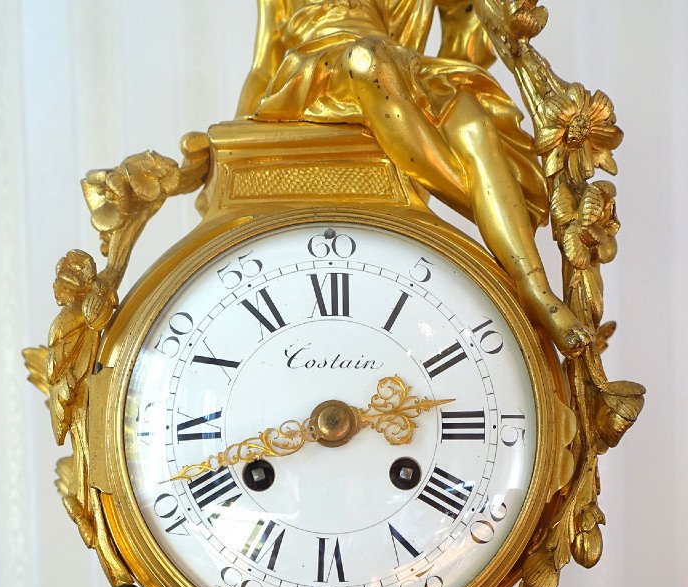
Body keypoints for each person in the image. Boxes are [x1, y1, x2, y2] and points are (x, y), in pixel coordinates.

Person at [238, 0, 591, 355]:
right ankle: (478, 201)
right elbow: (261, 64)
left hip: (398, 73)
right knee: (366, 58)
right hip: (318, 73)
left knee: (473, 121)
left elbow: (466, 20)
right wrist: (232, 144)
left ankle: (533, 287)